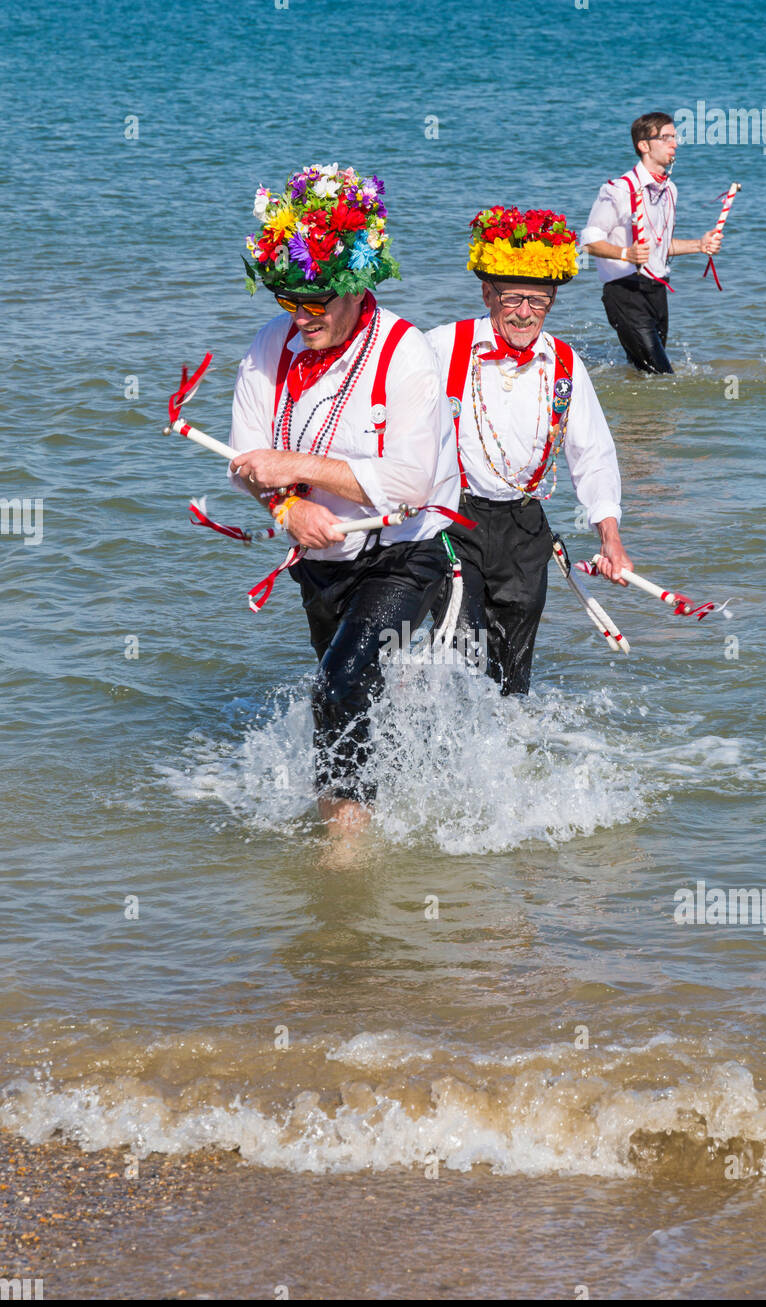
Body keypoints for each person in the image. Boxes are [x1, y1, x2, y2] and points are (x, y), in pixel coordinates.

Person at [227, 164, 460, 836]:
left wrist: (293, 467)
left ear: (358, 290)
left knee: (337, 682)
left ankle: (345, 845)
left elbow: (409, 483)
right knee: (351, 688)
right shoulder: (268, 348)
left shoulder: (406, 352)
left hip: (406, 550)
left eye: (316, 303)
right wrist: (284, 509)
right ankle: (376, 799)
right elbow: (246, 464)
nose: (301, 319)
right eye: (289, 303)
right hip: (319, 555)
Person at [426, 205, 631, 696]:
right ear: (486, 293)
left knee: (513, 677)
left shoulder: (565, 363)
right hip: (454, 522)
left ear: (553, 299)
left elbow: (593, 453)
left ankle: (513, 763)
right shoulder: (439, 347)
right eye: (513, 298)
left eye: (537, 301)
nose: (523, 312)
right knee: (459, 653)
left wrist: (610, 535)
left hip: (526, 529)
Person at [581, 112, 724, 373]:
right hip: (625, 290)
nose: (675, 144)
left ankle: (639, 415)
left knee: (642, 373)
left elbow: (661, 246)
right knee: (662, 375)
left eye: (675, 137)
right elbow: (589, 241)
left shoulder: (670, 189)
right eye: (666, 138)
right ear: (644, 145)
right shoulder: (618, 189)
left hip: (657, 290)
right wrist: (626, 253)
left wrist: (699, 245)